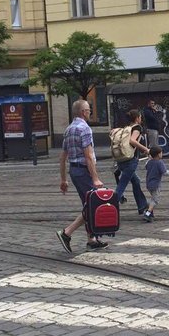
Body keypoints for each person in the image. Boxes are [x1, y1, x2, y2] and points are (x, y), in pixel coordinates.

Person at [57, 99, 108, 252]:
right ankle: (66, 233)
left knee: (89, 204)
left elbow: (62, 157)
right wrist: (95, 178)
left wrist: (64, 179)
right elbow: (88, 156)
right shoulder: (84, 129)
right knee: (92, 204)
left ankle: (91, 240)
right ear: (82, 112)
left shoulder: (69, 129)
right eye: (88, 109)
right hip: (84, 171)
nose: (90, 111)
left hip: (74, 171)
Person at [113, 109, 151, 216]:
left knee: (136, 182)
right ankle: (110, 205)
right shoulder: (137, 128)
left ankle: (142, 206)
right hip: (130, 161)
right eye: (140, 117)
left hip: (121, 160)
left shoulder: (126, 128)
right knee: (122, 185)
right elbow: (132, 141)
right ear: (137, 118)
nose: (141, 119)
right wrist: (146, 149)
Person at [143, 145, 167, 222]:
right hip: (156, 184)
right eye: (161, 153)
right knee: (155, 200)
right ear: (158, 154)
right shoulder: (160, 163)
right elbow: (165, 172)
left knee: (152, 198)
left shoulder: (149, 162)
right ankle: (147, 213)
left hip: (148, 184)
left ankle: (149, 212)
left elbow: (146, 166)